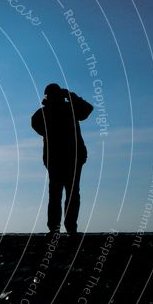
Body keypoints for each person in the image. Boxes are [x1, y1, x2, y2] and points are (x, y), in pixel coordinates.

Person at [31, 83, 93, 235]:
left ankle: (64, 227)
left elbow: (87, 110)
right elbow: (38, 126)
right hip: (60, 159)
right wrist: (70, 97)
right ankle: (60, 228)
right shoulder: (47, 113)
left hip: (68, 158)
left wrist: (71, 96)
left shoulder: (66, 110)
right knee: (61, 193)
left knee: (63, 193)